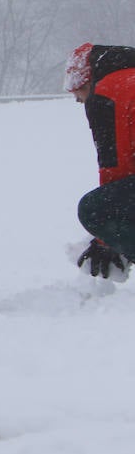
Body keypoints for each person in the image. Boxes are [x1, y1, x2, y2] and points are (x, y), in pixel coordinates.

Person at [65, 43, 135, 279]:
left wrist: (106, 240)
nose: (80, 102)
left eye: (78, 96)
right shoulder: (130, 78)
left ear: (85, 82)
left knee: (95, 209)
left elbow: (117, 165)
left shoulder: (106, 93)